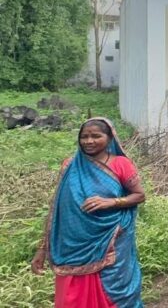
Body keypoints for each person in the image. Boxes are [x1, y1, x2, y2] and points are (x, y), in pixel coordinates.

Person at [31, 118, 144, 308]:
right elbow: (57, 209)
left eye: (96, 136)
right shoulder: (70, 165)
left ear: (110, 138)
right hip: (72, 247)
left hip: (110, 241)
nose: (89, 141)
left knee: (113, 298)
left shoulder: (121, 164)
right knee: (71, 299)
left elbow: (139, 195)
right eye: (84, 137)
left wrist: (111, 202)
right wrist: (42, 248)